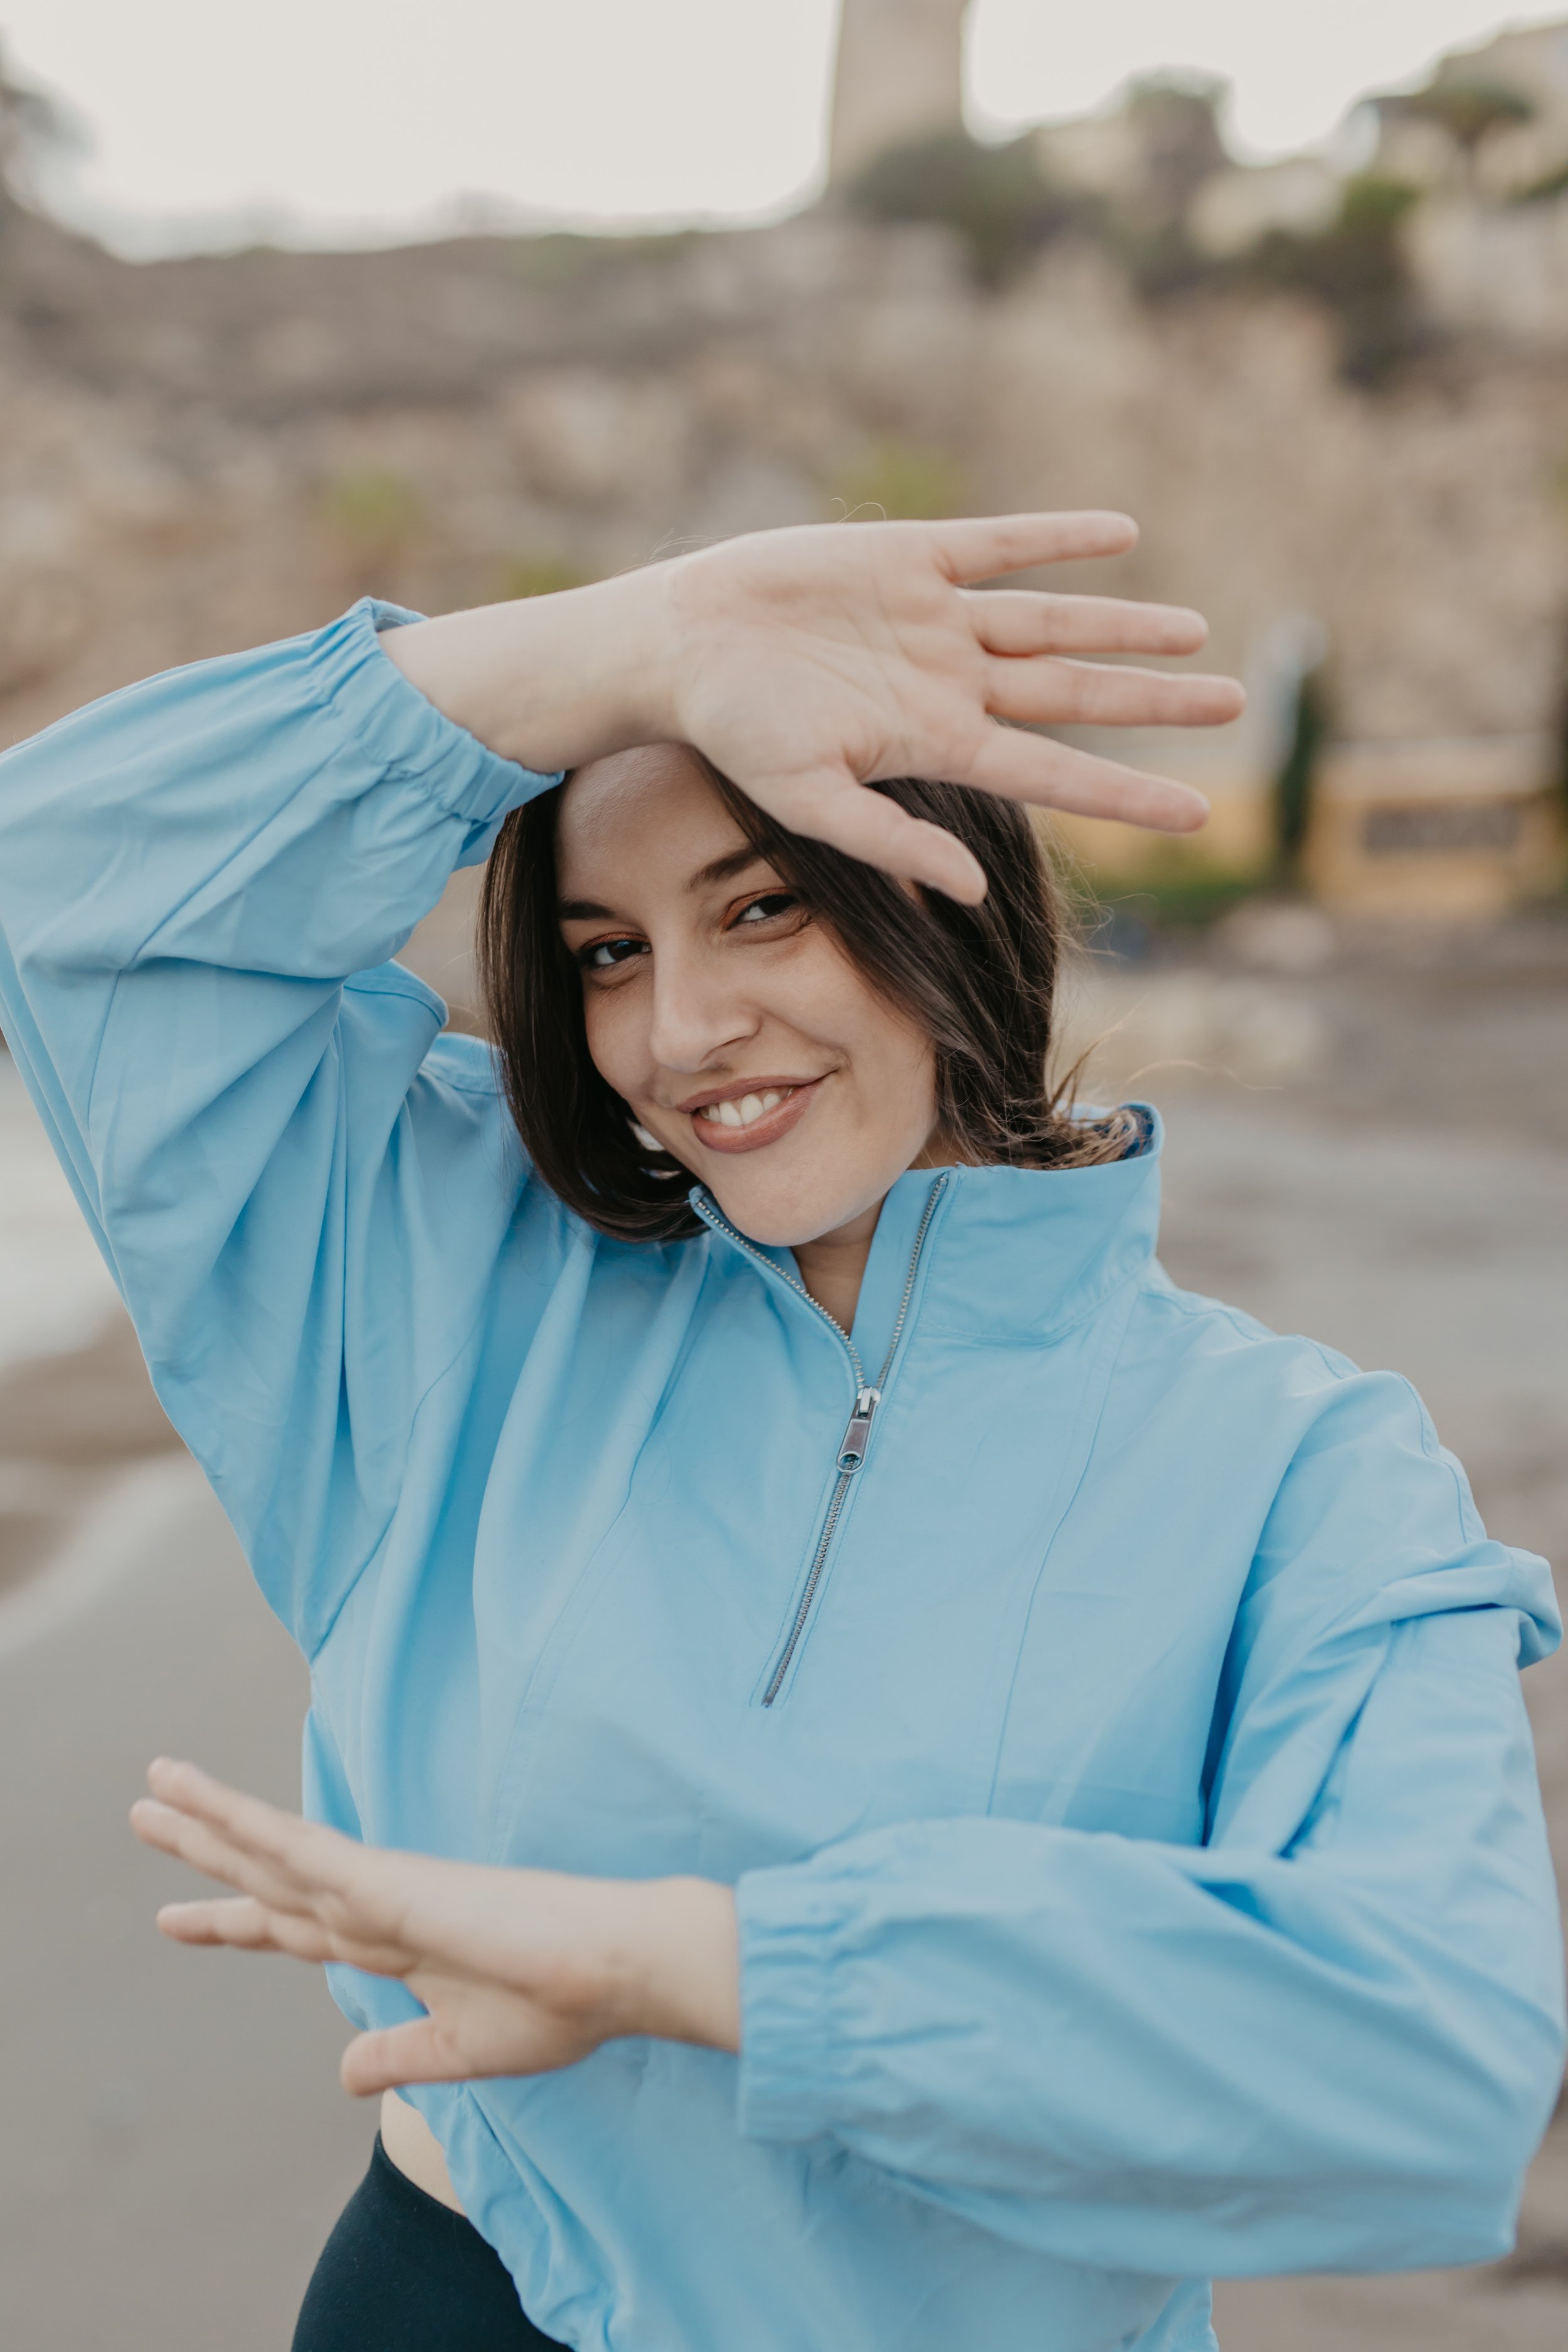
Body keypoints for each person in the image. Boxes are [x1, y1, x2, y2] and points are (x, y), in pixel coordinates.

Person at [0, 513, 1560, 2352]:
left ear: (944, 885)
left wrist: (692, 1968)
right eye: (599, 952)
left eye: (761, 906)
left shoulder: (1302, 1472)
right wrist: (624, 647)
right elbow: (73, 898)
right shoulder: (437, 1280)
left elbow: (1427, 2066)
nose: (680, 1030)